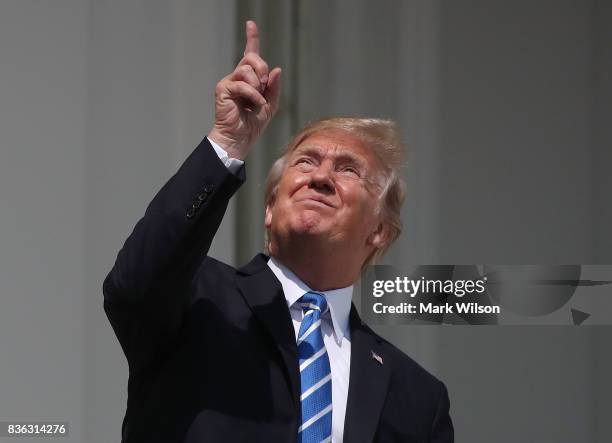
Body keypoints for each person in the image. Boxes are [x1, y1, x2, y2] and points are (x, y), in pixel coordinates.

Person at [103, 20, 453, 443]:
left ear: (380, 231)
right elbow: (132, 284)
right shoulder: (198, 298)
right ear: (269, 208)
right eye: (306, 162)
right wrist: (228, 142)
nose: (321, 177)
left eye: (348, 170)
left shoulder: (417, 396)